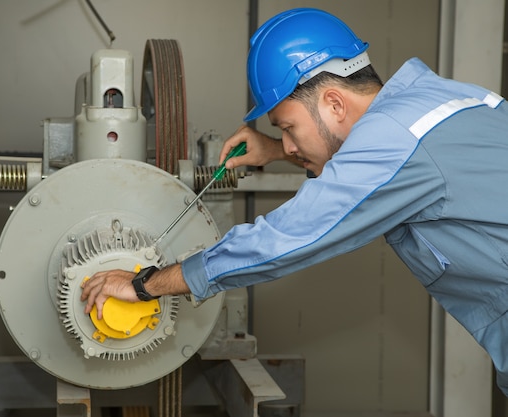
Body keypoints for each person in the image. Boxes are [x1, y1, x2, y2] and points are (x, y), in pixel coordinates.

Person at [82, 7, 508, 395]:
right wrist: (275, 150)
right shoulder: (434, 100)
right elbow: (376, 171)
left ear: (334, 102)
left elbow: (288, 239)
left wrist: (146, 284)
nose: (288, 144)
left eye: (288, 127)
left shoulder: (396, 140)